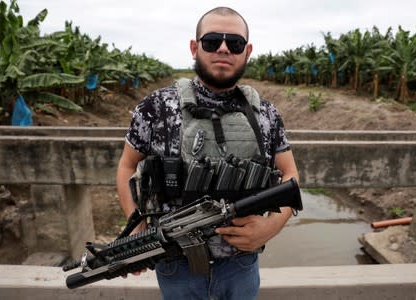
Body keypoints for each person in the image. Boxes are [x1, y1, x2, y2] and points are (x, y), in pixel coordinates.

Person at [116, 6, 299, 300]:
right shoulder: (157, 107)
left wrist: (271, 227)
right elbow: (127, 167)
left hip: (241, 266)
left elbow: (291, 176)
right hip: (176, 268)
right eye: (212, 41)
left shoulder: (266, 115)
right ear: (194, 47)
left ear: (247, 51)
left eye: (235, 43)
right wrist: (137, 226)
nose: (224, 49)